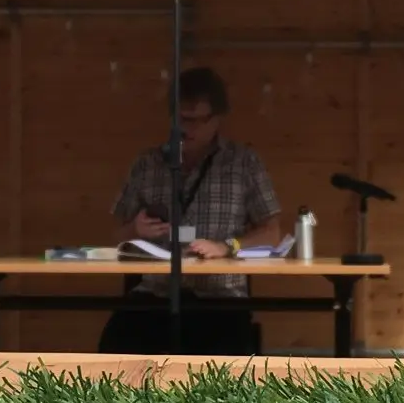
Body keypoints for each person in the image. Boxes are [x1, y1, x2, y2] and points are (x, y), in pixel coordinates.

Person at [99, 66, 283, 355]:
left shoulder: (243, 163)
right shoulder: (147, 164)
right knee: (114, 347)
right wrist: (135, 229)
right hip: (155, 297)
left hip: (219, 300)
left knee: (224, 359)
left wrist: (227, 247)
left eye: (197, 120)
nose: (187, 129)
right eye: (181, 119)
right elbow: (115, 238)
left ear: (217, 118)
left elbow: (272, 233)